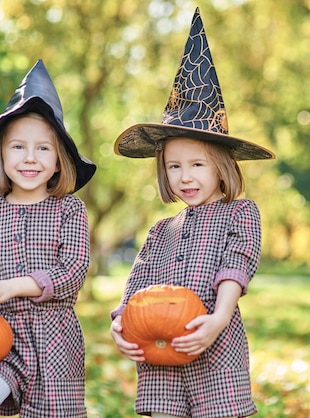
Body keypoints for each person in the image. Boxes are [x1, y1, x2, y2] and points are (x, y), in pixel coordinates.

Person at [110, 8, 275, 418]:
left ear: (222, 166)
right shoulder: (162, 230)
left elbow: (236, 266)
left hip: (213, 346)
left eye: (197, 165)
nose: (185, 176)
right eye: (174, 166)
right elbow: (139, 281)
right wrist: (120, 323)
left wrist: (218, 319)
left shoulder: (241, 214)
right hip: (159, 356)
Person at [0, 59, 96, 418]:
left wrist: (12, 286)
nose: (30, 158)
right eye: (18, 147)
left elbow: (73, 271)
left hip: (55, 342)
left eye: (43, 148)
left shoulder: (70, 210)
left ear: (60, 160)